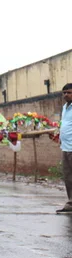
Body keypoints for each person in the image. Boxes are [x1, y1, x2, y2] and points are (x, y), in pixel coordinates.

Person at [57, 83, 72, 214]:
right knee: (68, 176)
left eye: (69, 92)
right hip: (66, 147)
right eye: (64, 93)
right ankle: (71, 202)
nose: (66, 95)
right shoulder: (64, 108)